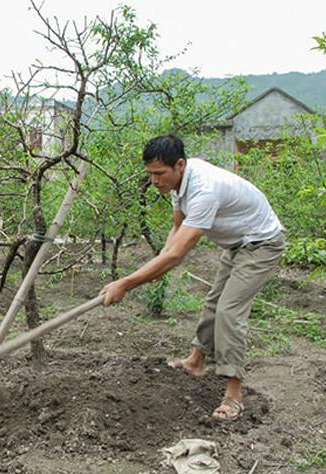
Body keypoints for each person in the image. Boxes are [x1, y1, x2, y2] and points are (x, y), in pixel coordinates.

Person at [100, 134, 285, 421]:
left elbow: (177, 256)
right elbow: (176, 231)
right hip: (237, 243)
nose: (154, 181)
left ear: (180, 165)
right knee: (213, 303)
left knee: (229, 312)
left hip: (262, 243)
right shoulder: (178, 184)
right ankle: (196, 362)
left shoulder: (204, 190)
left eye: (159, 174)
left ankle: (234, 395)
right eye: (150, 174)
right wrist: (158, 261)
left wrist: (126, 283)